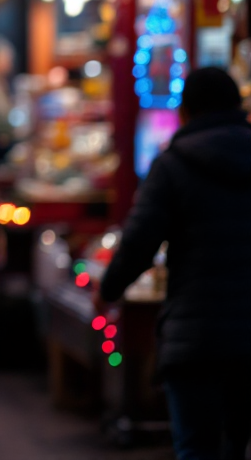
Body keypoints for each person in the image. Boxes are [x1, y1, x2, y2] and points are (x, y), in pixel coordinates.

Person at [98, 67, 251, 460]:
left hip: (194, 336)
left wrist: (108, 291)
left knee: (195, 447)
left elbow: (138, 244)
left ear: (185, 112)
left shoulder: (172, 165)